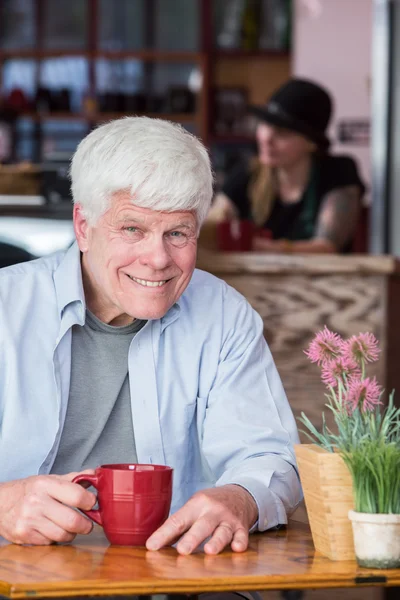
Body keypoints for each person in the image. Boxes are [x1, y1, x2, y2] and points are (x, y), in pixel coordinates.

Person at [0, 117, 302, 556]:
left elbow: (270, 457)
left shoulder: (224, 316)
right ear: (84, 227)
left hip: (178, 580)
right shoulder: (6, 308)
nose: (158, 259)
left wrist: (241, 498)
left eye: (177, 233)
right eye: (133, 229)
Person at [207, 78, 366, 254]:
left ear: (311, 143)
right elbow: (215, 222)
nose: (267, 138)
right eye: (265, 124)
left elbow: (326, 247)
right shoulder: (250, 172)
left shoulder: (338, 173)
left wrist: (264, 247)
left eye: (282, 132)